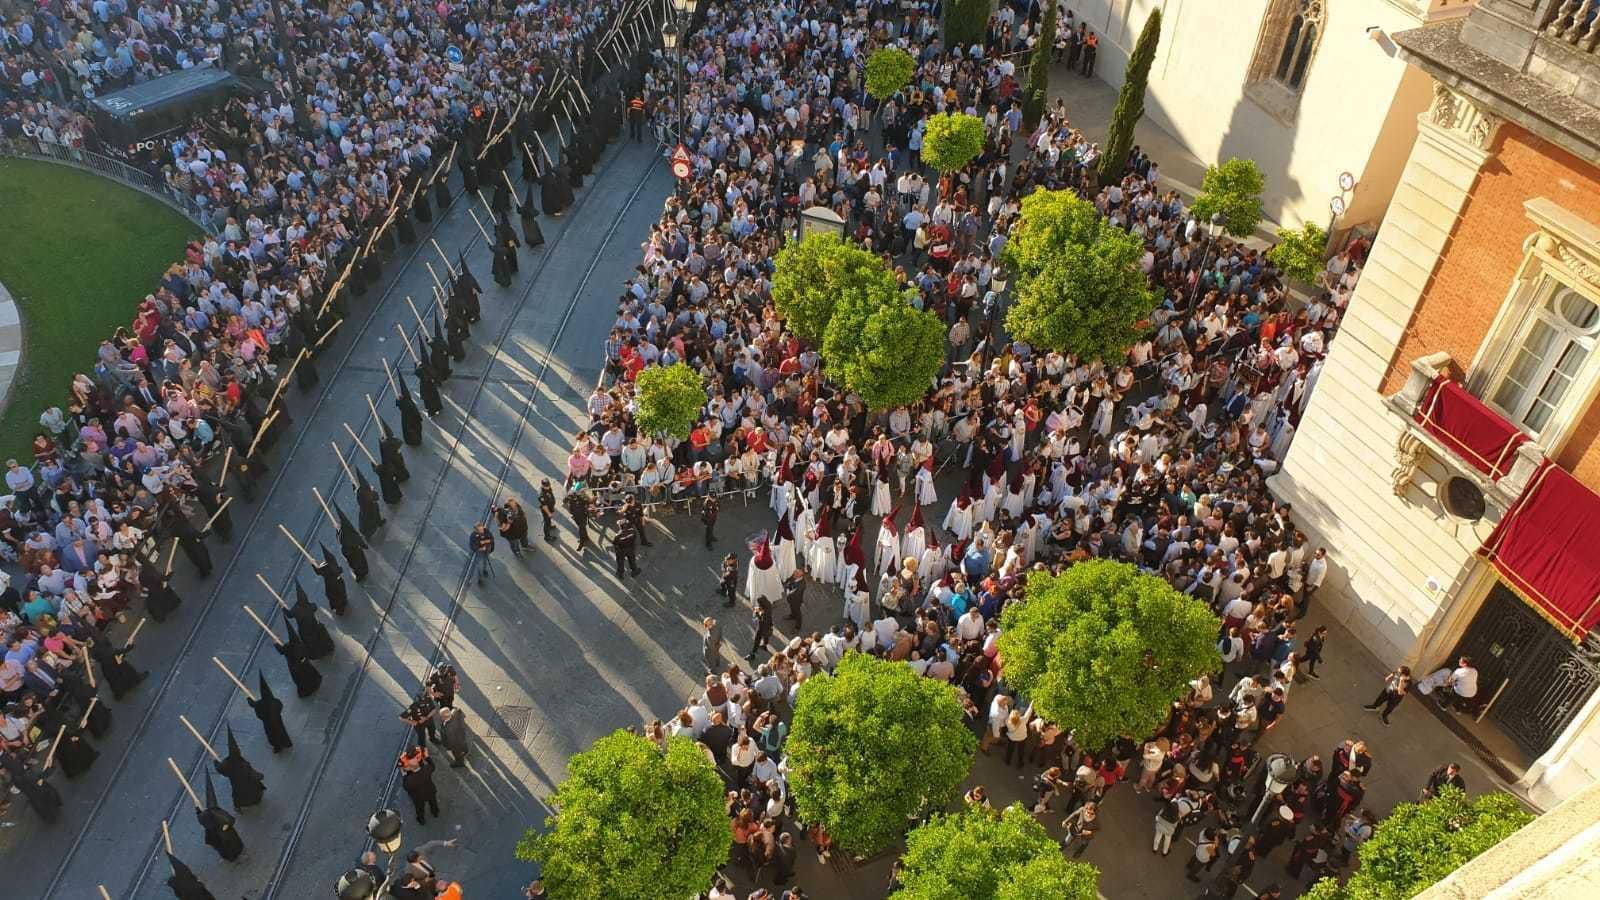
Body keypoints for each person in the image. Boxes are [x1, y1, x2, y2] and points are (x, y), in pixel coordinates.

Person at [400, 746, 441, 825]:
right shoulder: (427, 769)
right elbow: (433, 766)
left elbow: (406, 787)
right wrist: (427, 756)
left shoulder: (409, 780)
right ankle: (435, 812)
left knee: (419, 809)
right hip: (430, 791)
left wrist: (404, 774)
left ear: (409, 768)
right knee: (433, 802)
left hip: (418, 798)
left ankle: (421, 820)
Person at [747, 595, 775, 661]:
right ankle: (764, 645)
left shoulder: (764, 613)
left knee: (757, 639)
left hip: (762, 628)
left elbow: (762, 621)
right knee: (766, 636)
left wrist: (757, 614)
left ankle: (753, 653)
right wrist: (759, 609)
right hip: (769, 625)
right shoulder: (769, 605)